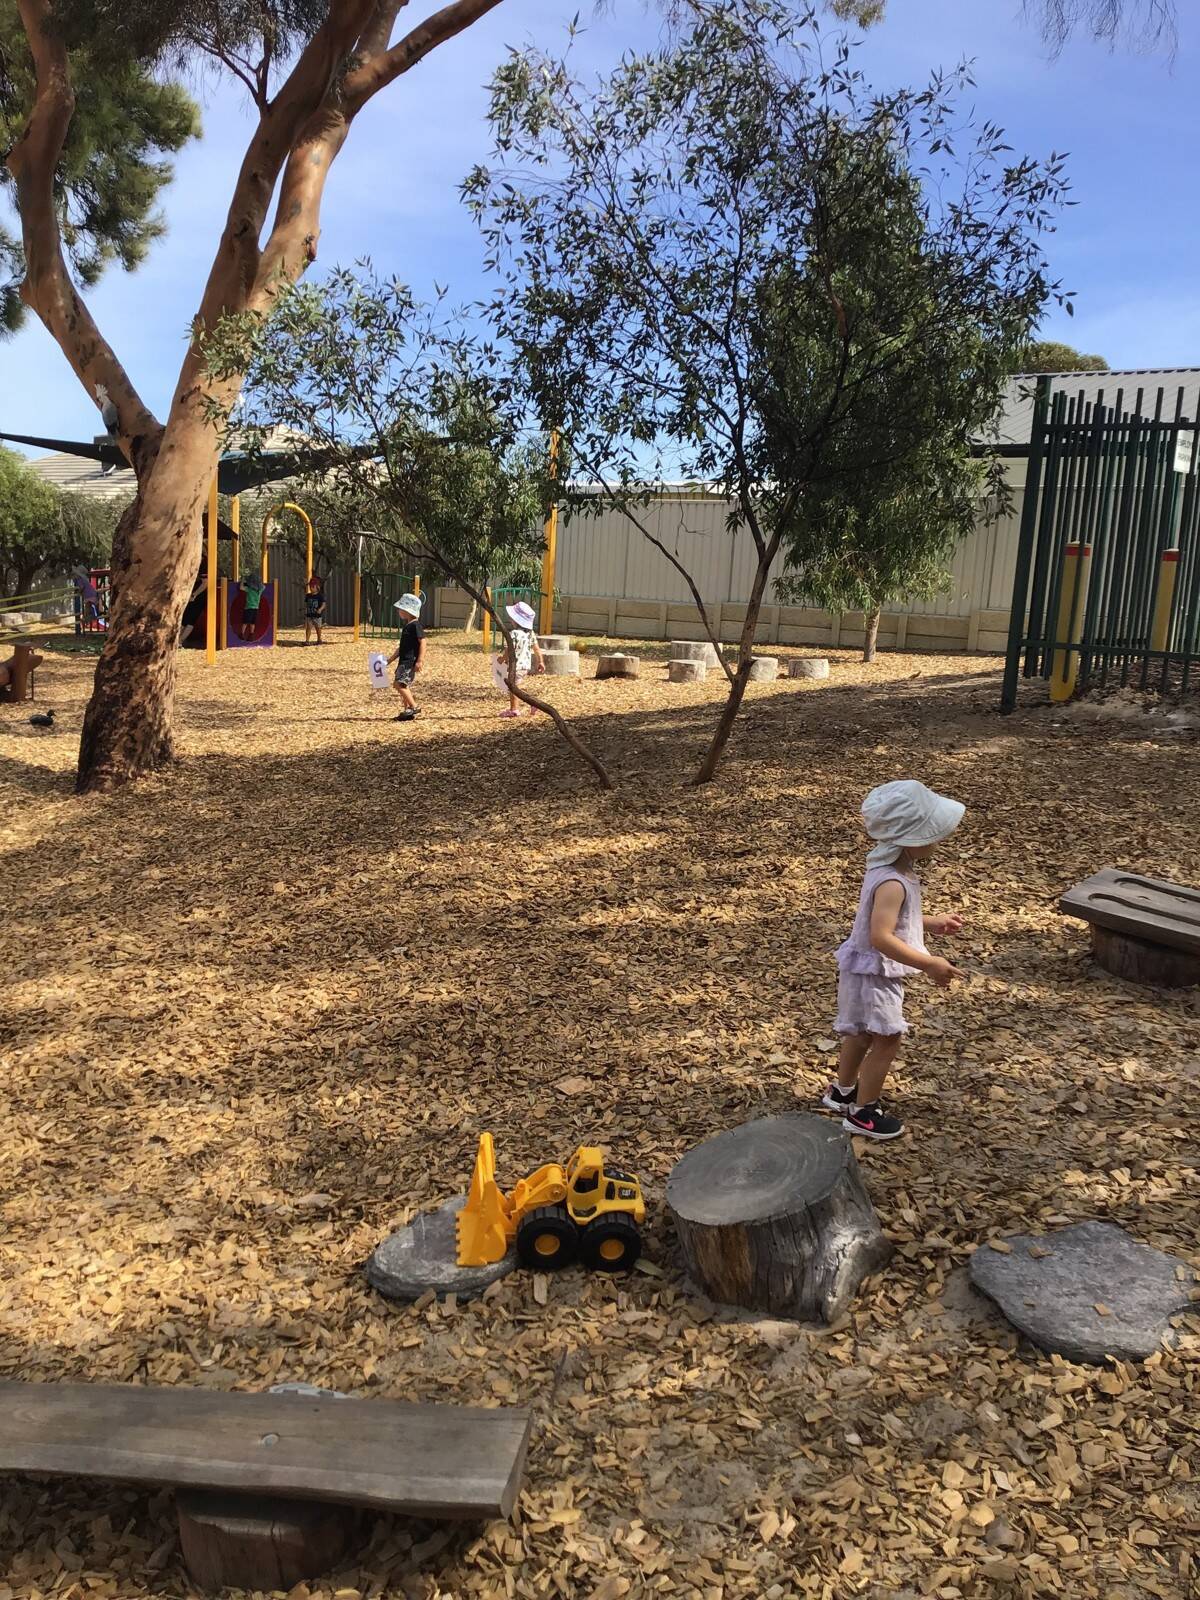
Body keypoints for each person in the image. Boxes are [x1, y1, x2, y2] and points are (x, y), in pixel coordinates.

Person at [824, 779, 965, 1141]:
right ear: (911, 839)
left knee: (860, 1033)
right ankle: (863, 1113)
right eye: (933, 834)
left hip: (862, 968)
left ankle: (842, 1092)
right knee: (886, 1039)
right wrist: (928, 962)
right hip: (876, 974)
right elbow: (880, 936)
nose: (938, 841)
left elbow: (888, 920)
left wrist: (929, 923)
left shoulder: (889, 872)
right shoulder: (893, 882)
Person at [492, 599, 545, 717]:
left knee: (513, 688)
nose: (511, 620)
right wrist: (540, 662)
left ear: (516, 620)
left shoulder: (514, 634)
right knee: (516, 687)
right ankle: (532, 703)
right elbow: (536, 649)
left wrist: (502, 659)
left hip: (516, 666)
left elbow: (510, 649)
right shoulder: (530, 633)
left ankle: (514, 709)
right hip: (525, 666)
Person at [386, 593, 426, 721]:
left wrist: (420, 660)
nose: (399, 611)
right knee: (403, 684)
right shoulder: (408, 626)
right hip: (403, 661)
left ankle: (414, 706)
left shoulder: (415, 625)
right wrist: (390, 659)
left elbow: (423, 642)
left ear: (408, 611)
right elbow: (401, 647)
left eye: (401, 609)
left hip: (409, 662)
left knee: (399, 684)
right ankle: (408, 711)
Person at [240, 576, 265, 641]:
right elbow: (264, 586)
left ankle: (242, 634)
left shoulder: (249, 589)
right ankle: (251, 635)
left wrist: (243, 581)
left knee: (245, 622)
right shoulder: (260, 590)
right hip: (256, 608)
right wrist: (259, 582)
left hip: (248, 607)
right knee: (252, 623)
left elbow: (241, 587)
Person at [304, 575, 327, 644]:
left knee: (318, 628)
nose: (311, 588)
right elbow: (306, 604)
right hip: (309, 615)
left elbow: (324, 604)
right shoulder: (308, 595)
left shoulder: (320, 596)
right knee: (308, 627)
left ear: (317, 587)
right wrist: (305, 610)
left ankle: (319, 639)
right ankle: (307, 641)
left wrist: (320, 609)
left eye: (313, 587)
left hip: (317, 615)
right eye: (310, 587)